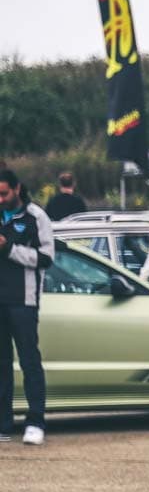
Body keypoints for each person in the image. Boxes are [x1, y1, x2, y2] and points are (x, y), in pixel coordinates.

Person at [0, 168, 54, 445]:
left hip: (24, 300)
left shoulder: (36, 216)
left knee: (29, 361)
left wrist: (9, 249)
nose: (0, 199)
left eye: (3, 193)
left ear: (17, 189)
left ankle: (35, 421)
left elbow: (46, 258)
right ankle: (3, 423)